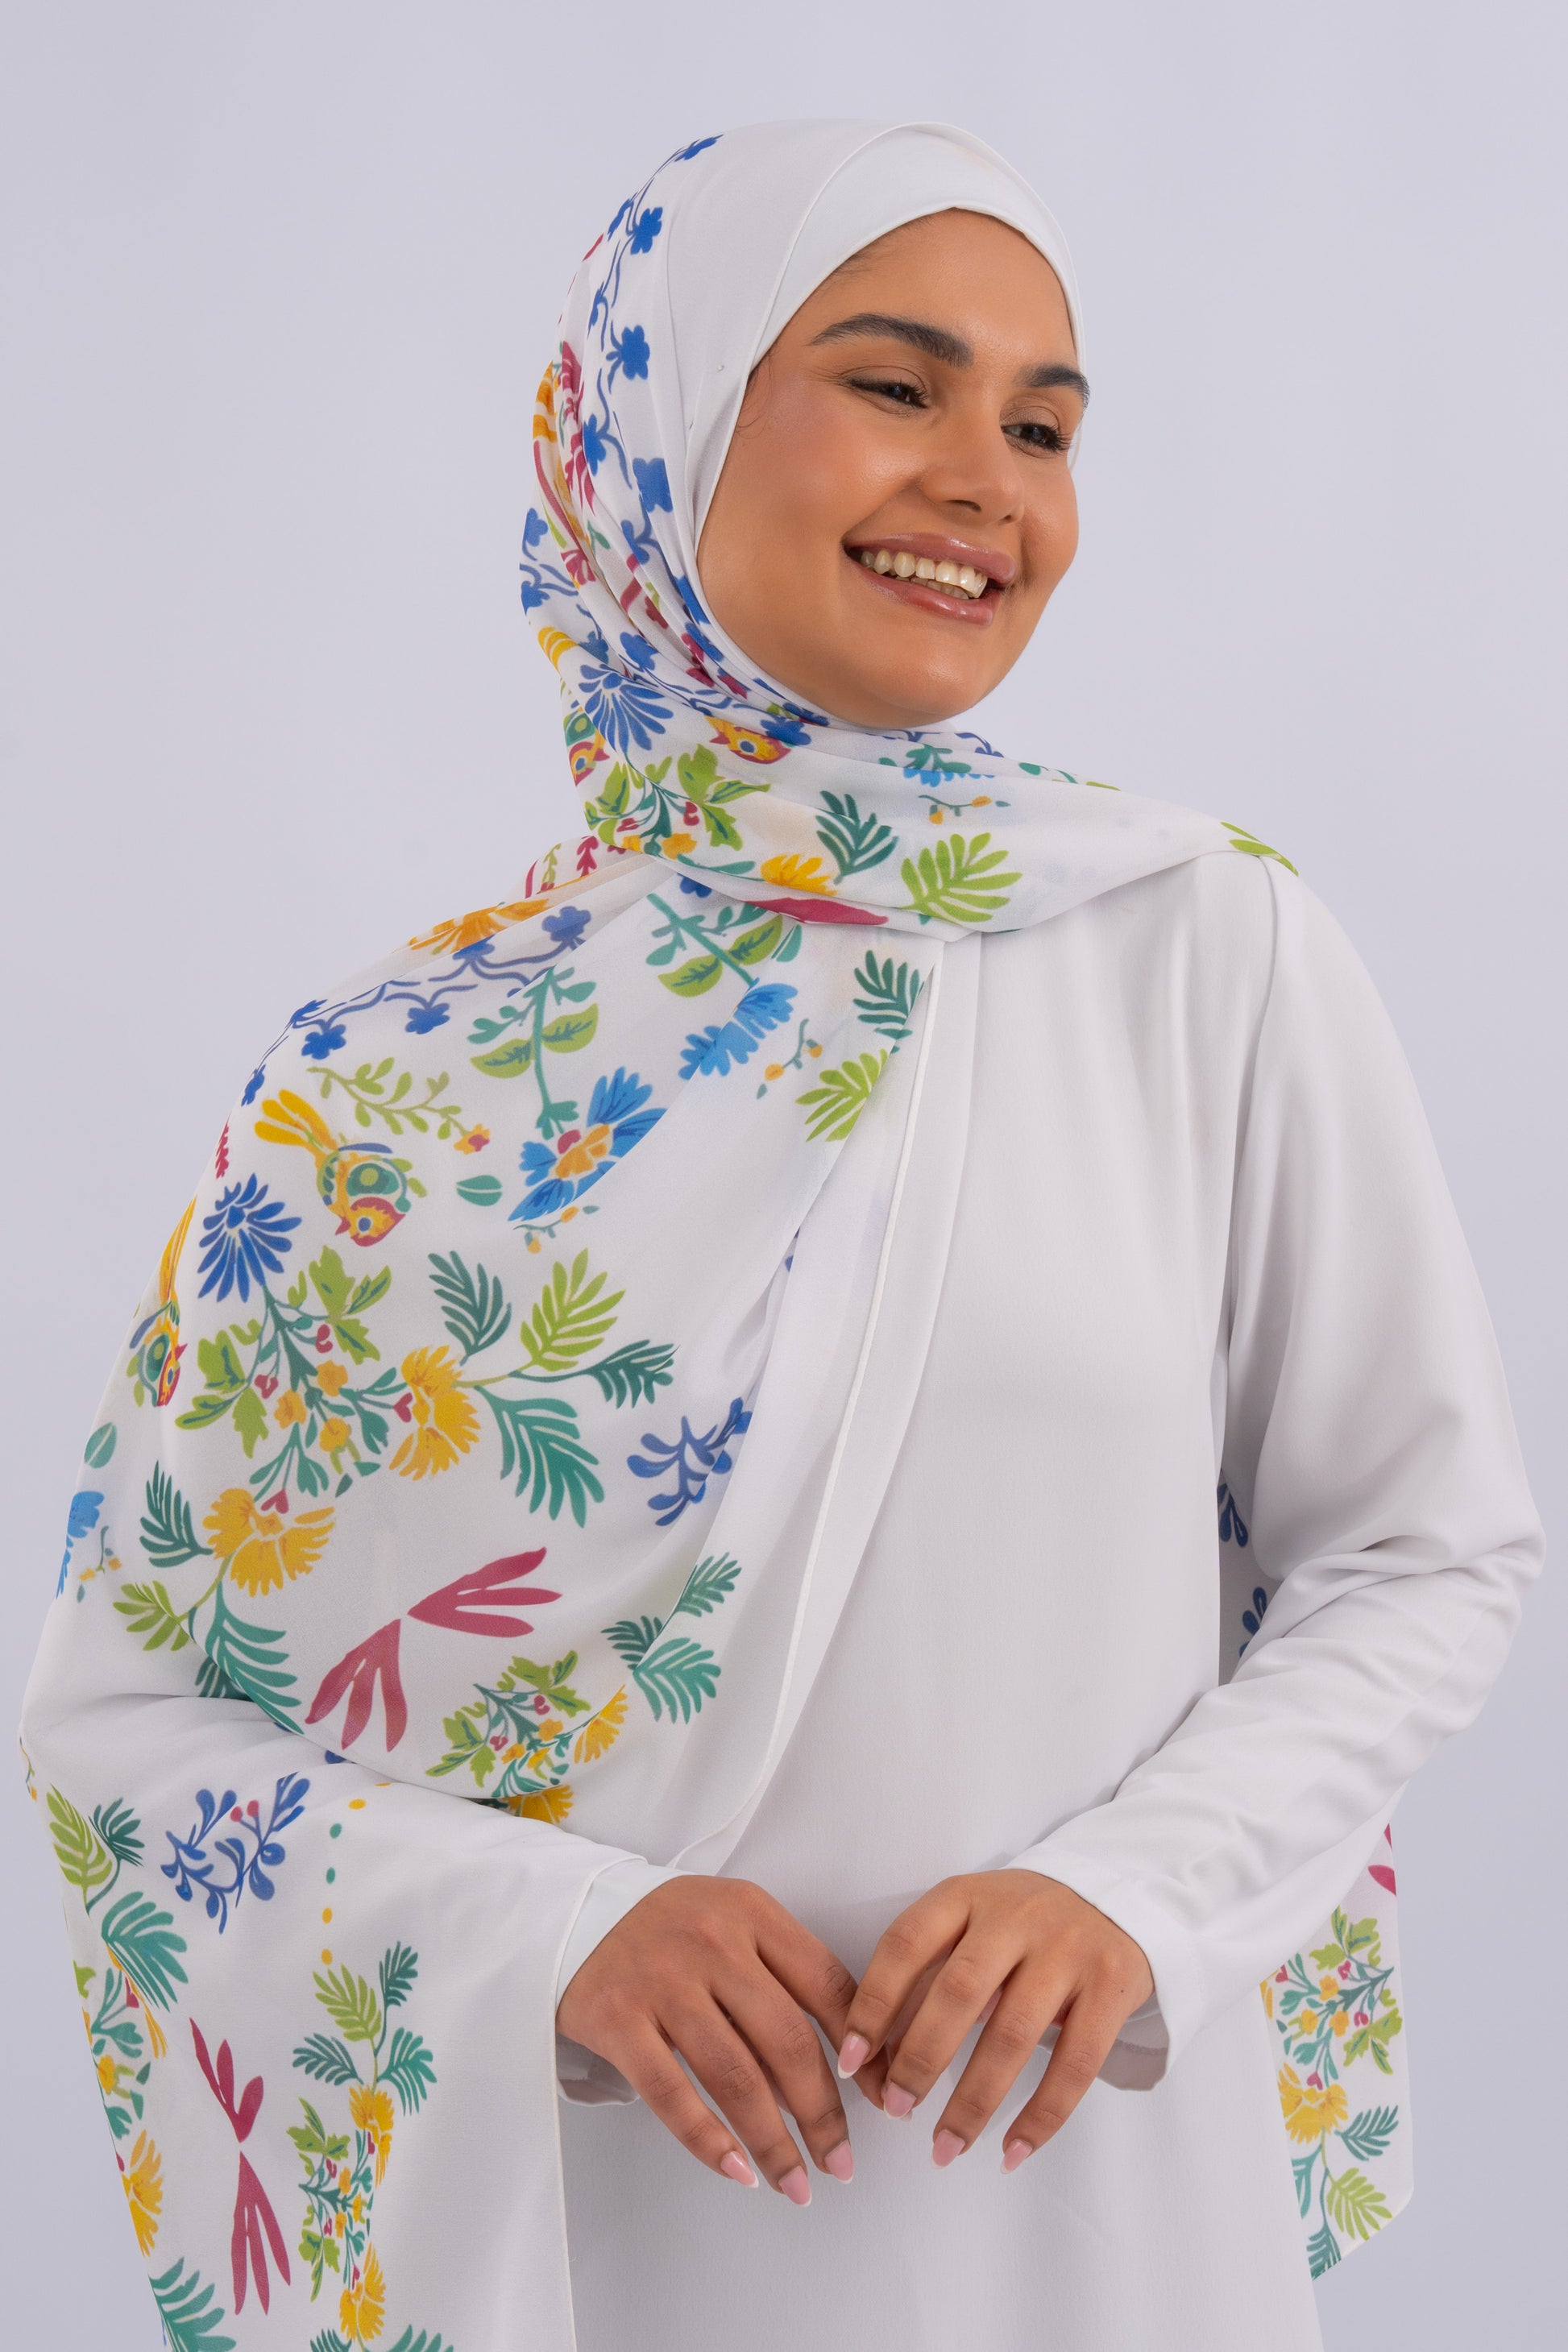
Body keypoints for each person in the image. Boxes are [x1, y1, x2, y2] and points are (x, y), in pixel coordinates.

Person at [23, 120, 1541, 2352]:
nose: (988, 483)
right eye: (897, 385)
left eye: (1045, 427)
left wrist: (1131, 1895)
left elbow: (1419, 1549)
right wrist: (547, 1928)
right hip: (611, 2238)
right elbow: (133, 1723)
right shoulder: (386, 1084)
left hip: (1085, 2215)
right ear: (652, 428)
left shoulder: (1191, 950)